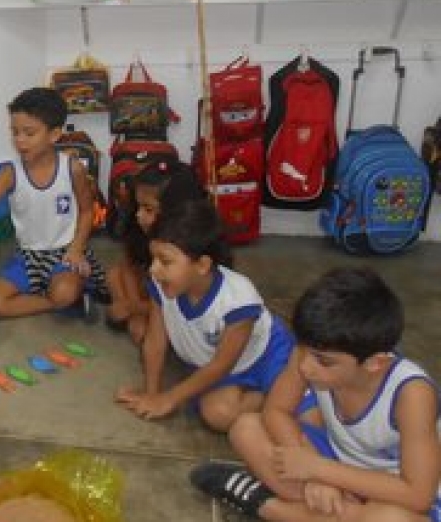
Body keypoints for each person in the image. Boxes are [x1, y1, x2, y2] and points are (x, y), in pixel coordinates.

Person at [190, 268, 441, 522]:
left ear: (374, 363)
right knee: (246, 429)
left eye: (324, 361)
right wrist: (311, 470)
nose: (306, 367)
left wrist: (319, 470)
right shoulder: (311, 352)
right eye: (304, 350)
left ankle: (265, 505)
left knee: (387, 519)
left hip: (399, 493)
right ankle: (328, 512)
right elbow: (276, 411)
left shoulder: (412, 394)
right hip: (339, 463)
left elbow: (418, 495)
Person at [115, 200, 293, 432]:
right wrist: (152, 394)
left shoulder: (237, 300)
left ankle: (279, 396)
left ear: (202, 265)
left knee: (227, 412)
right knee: (216, 412)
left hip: (266, 359)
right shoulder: (162, 285)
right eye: (153, 259)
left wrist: (168, 399)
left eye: (165, 261)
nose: (153, 269)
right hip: (217, 365)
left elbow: (221, 365)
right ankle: (273, 397)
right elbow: (155, 342)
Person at [0, 87, 108, 320]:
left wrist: (77, 248)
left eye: (29, 133)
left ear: (54, 134)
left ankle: (64, 295)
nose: (19, 140)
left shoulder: (72, 169)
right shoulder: (10, 173)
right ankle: (63, 302)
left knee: (64, 291)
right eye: (15, 132)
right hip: (28, 256)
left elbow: (87, 211)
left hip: (65, 252)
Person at [106, 160, 206, 343]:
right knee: (114, 275)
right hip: (149, 292)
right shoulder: (138, 229)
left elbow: (177, 301)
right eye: (138, 206)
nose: (138, 215)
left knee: (142, 332)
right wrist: (133, 305)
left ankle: (135, 314)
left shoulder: (189, 249)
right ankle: (132, 312)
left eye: (148, 209)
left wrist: (134, 308)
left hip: (171, 301)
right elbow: (128, 266)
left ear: (176, 210)